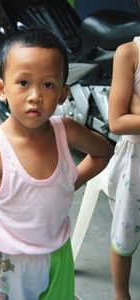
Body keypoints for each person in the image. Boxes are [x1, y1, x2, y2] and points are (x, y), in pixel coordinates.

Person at [0, 28, 112, 300]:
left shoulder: (68, 132)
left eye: (48, 85)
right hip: (7, 263)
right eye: (23, 82)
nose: (35, 95)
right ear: (1, 89)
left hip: (58, 255)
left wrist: (69, 182)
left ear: (63, 94)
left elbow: (103, 153)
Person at [108, 36, 140, 300]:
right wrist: (128, 111)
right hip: (135, 162)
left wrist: (137, 108)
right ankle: (122, 295)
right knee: (124, 233)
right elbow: (118, 121)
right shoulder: (130, 53)